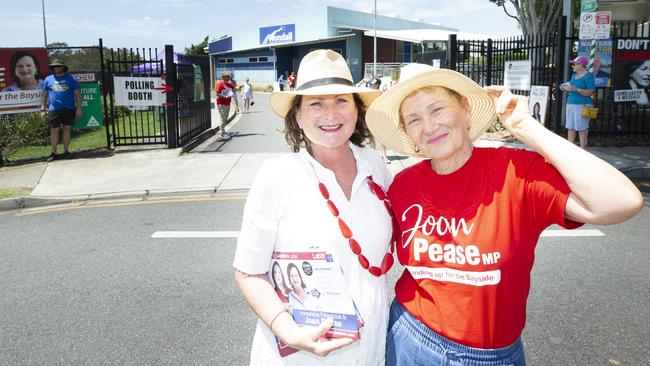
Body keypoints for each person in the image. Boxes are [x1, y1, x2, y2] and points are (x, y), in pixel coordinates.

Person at [365, 63, 643, 366]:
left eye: (437, 109)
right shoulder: (403, 185)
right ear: (407, 132)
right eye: (414, 119)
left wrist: (525, 126)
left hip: (491, 356)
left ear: (465, 108)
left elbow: (620, 202)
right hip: (411, 338)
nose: (428, 126)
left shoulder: (516, 171)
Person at [233, 49, 392, 365]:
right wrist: (288, 330)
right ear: (298, 115)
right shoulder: (277, 176)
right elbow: (248, 271)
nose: (330, 113)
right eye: (316, 103)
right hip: (301, 356)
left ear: (357, 110)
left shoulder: (376, 166)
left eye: (341, 101)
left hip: (370, 351)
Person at [40, 60, 81, 162]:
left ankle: (66, 151)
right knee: (54, 130)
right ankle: (53, 153)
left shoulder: (71, 79)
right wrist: (42, 109)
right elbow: (44, 95)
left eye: (59, 66)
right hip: (54, 109)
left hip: (69, 108)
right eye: (55, 67)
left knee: (66, 129)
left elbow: (77, 95)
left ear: (63, 67)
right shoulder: (48, 79)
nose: (56, 68)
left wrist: (79, 108)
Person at [560, 56, 596, 149]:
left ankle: (583, 149)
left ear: (581, 65)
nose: (572, 66)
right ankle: (570, 149)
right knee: (570, 128)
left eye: (574, 64)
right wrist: (564, 87)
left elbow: (591, 92)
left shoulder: (589, 76)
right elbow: (571, 87)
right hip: (571, 103)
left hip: (583, 105)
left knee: (582, 128)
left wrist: (577, 89)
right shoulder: (573, 76)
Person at [215, 70, 236, 140]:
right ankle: (222, 133)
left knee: (225, 118)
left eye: (229, 76)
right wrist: (225, 96)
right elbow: (217, 94)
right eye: (227, 76)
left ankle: (223, 131)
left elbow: (236, 88)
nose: (229, 78)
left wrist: (241, 86)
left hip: (227, 103)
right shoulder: (220, 84)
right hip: (221, 103)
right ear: (223, 77)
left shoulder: (229, 84)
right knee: (223, 118)